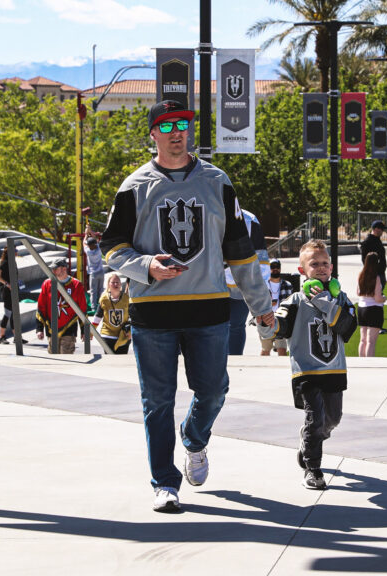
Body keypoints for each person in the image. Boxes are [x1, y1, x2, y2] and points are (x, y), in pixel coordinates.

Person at [99, 99, 274, 513]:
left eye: (183, 123)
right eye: (167, 125)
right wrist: (145, 266)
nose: (177, 131)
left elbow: (240, 250)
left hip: (209, 309)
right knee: (156, 400)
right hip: (153, 316)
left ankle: (194, 440)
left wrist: (260, 305)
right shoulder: (135, 186)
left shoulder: (216, 180)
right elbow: (112, 247)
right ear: (153, 134)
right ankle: (164, 483)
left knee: (213, 391)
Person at [273, 240, 356, 490]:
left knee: (332, 418)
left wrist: (325, 304)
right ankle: (313, 468)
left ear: (331, 267)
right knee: (315, 417)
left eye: (325, 263)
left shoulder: (341, 298)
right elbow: (280, 326)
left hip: (334, 368)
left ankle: (310, 439)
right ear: (302, 271)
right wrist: (268, 322)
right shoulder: (295, 301)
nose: (321, 268)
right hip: (306, 370)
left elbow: (348, 328)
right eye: (314, 264)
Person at [226, 208, 270, 355]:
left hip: (241, 285)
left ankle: (233, 367)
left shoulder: (249, 219)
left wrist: (260, 295)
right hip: (210, 284)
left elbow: (261, 258)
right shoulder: (205, 210)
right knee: (204, 329)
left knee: (235, 326)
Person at [35, 257, 87, 354]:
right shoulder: (47, 284)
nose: (53, 271)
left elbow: (82, 309)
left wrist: (84, 331)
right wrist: (39, 329)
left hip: (69, 327)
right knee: (54, 360)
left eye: (55, 268)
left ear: (64, 268)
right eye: (52, 269)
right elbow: (41, 307)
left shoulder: (76, 285)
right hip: (51, 328)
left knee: (66, 358)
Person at [91, 271, 131, 354]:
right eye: (113, 282)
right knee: (110, 361)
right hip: (107, 335)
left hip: (123, 335)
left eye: (117, 282)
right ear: (108, 284)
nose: (115, 284)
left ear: (120, 284)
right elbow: (98, 316)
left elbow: (133, 316)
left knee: (121, 361)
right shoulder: (104, 299)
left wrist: (131, 331)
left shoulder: (127, 298)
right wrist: (91, 331)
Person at [260, 259, 293, 356]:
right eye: (272, 267)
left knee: (282, 350)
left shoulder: (287, 285)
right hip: (266, 319)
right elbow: (258, 303)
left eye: (277, 266)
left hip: (280, 320)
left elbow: (290, 303)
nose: (275, 269)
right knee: (265, 349)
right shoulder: (263, 285)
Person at [356, 252, 387, 357]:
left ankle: (361, 362)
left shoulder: (361, 274)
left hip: (361, 308)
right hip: (374, 309)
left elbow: (358, 292)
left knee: (363, 340)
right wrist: (384, 298)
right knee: (371, 341)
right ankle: (369, 363)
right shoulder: (376, 277)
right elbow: (378, 298)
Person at [0, 249, 24, 345]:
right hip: (7, 291)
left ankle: (17, 337)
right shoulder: (5, 263)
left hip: (13, 290)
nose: (17, 252)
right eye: (15, 251)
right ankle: (1, 337)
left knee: (14, 314)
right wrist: (7, 284)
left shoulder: (12, 262)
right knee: (7, 313)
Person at [359, 220, 387, 289]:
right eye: (381, 229)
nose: (382, 232)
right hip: (373, 274)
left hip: (380, 273)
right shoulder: (367, 243)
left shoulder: (377, 240)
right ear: (376, 229)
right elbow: (364, 260)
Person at [84, 225, 105, 313]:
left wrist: (86, 233)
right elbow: (95, 238)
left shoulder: (88, 251)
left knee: (93, 291)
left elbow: (84, 242)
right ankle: (101, 306)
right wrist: (90, 230)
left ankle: (93, 307)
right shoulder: (99, 249)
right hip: (101, 272)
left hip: (93, 274)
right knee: (100, 290)